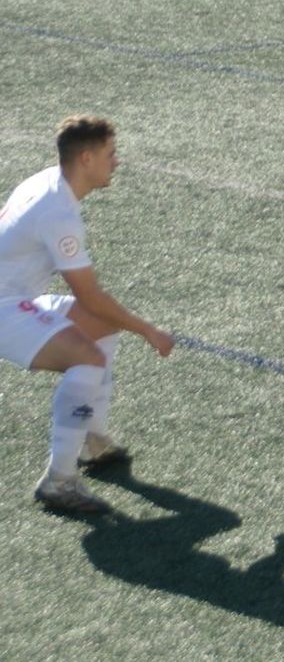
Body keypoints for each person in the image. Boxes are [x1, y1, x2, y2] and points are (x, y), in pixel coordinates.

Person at [0, 117, 175, 514]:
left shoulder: (45, 182)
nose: (116, 162)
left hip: (13, 299)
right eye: (110, 154)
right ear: (85, 158)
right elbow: (90, 296)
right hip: (4, 307)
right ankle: (58, 482)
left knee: (103, 329)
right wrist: (149, 331)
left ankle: (92, 440)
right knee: (88, 356)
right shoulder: (59, 213)